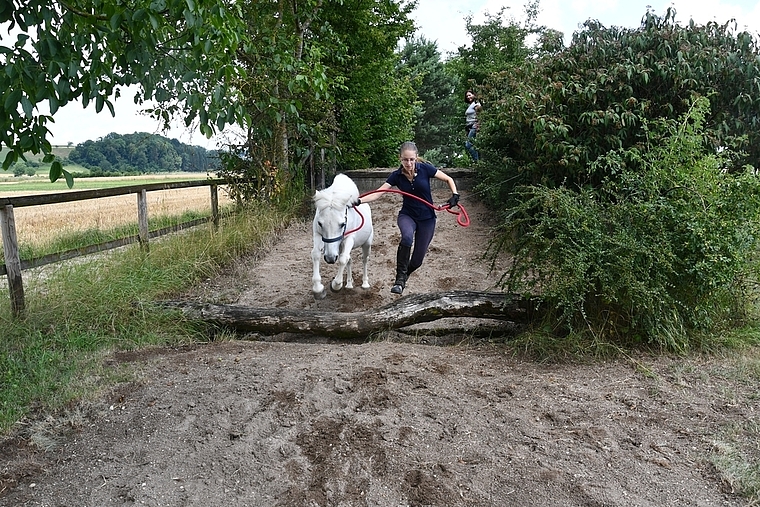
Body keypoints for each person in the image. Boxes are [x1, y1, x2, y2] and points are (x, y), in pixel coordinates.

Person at [355, 141, 459, 295]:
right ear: (400, 159)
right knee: (407, 238)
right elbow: (378, 193)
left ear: (416, 158)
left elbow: (448, 179)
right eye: (405, 160)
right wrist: (357, 201)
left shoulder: (425, 169)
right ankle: (399, 280)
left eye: (411, 159)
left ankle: (404, 276)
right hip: (407, 215)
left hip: (427, 218)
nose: (408, 163)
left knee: (417, 261)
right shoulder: (396, 176)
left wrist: (455, 195)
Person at [464, 90, 481, 162]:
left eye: (470, 95)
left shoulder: (476, 104)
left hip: (474, 126)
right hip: (469, 127)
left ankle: (477, 161)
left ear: (474, 95)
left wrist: (478, 125)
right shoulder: (470, 105)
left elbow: (480, 115)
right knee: (473, 145)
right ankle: (477, 162)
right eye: (467, 96)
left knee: (468, 144)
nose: (468, 97)